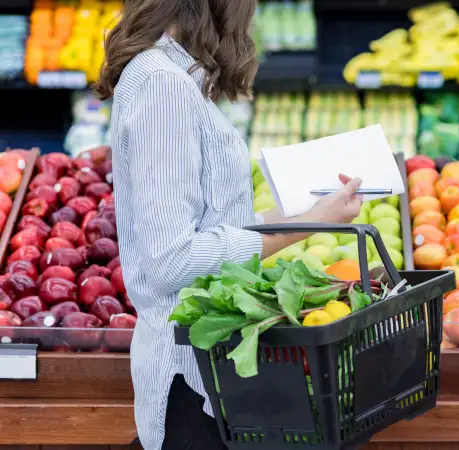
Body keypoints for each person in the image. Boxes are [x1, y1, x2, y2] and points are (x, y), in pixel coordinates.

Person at [95, 2, 363, 449]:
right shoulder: (162, 86)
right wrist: (310, 225)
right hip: (188, 378)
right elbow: (171, 260)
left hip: (214, 373)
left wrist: (314, 213)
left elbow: (215, 226)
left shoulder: (174, 78)